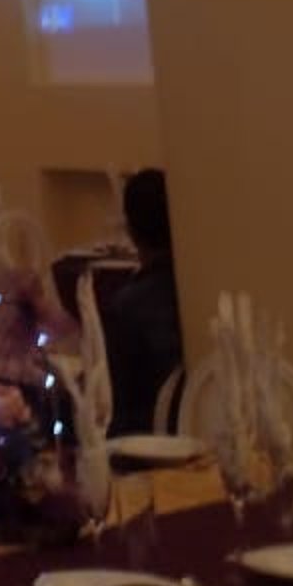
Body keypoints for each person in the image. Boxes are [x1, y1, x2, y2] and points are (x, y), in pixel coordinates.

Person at [101, 166, 183, 436]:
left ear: (132, 230)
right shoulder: (194, 287)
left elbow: (117, 406)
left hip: (146, 441)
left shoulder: (128, 306)